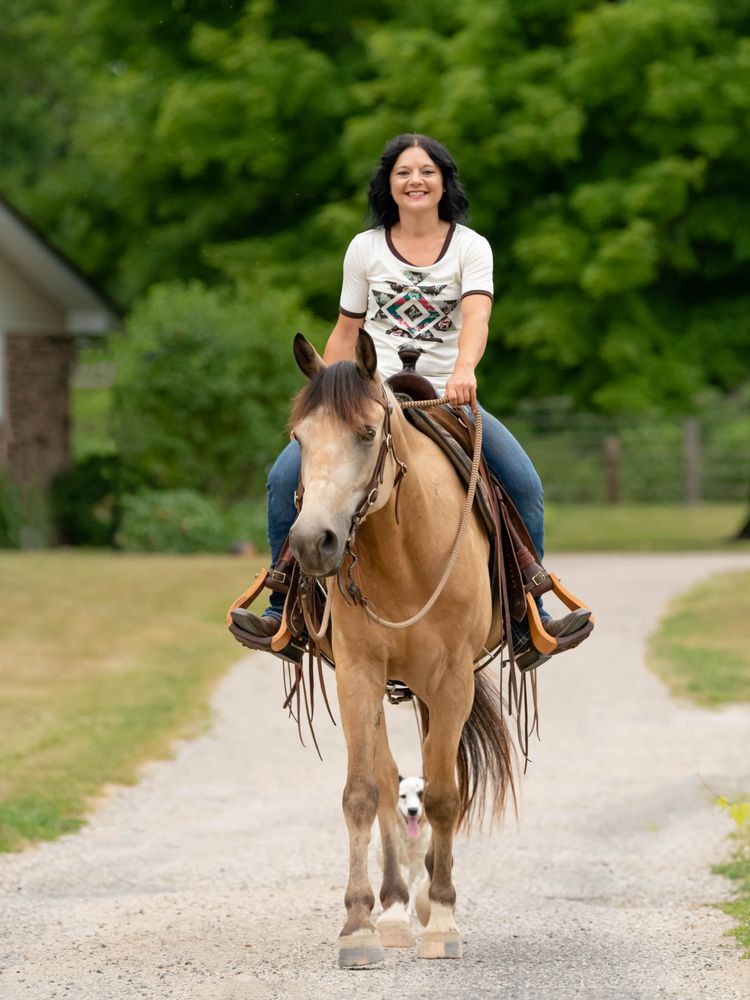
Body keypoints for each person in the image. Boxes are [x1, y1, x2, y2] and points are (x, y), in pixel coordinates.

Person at [236, 134, 588, 669]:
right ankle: (283, 607)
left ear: (444, 180)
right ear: (389, 185)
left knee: (523, 483)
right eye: (404, 172)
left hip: (445, 397)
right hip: (369, 398)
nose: (415, 181)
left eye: (426, 171)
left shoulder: (471, 247)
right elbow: (346, 329)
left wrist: (465, 370)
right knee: (285, 478)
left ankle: (528, 616)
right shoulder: (365, 248)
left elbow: (477, 317)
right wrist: (328, 392)